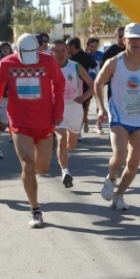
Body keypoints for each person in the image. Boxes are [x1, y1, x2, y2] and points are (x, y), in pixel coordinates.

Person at [0, 33, 65, 228]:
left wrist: (58, 110)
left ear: (38, 50)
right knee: (28, 166)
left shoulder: (47, 61)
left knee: (42, 169)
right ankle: (35, 210)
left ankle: (35, 178)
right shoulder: (7, 63)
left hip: (45, 121)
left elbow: (60, 84)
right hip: (19, 121)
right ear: (17, 50)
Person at [95, 23, 140, 211]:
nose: (135, 42)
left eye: (138, 39)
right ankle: (110, 177)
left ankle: (119, 195)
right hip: (118, 114)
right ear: (124, 40)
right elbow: (98, 82)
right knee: (119, 156)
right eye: (131, 39)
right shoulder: (114, 62)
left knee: (133, 163)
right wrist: (101, 108)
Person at [52, 40, 94, 188]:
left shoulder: (75, 67)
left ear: (67, 51)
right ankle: (65, 172)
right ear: (52, 53)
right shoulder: (48, 68)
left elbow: (93, 85)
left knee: (71, 145)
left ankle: (65, 159)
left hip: (75, 110)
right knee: (62, 139)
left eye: (62, 50)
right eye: (56, 51)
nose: (60, 53)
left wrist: (83, 98)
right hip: (58, 111)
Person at [66, 37, 97, 136]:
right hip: (69, 87)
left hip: (84, 87)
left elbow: (96, 66)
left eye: (68, 45)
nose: (66, 48)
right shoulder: (67, 57)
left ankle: (78, 130)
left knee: (82, 108)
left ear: (73, 46)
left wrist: (98, 79)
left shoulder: (85, 56)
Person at [85, 36, 104, 134]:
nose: (93, 48)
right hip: (88, 84)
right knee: (86, 104)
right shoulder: (85, 56)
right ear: (87, 46)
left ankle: (98, 124)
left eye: (95, 46)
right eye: (91, 46)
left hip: (99, 83)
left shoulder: (101, 55)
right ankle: (85, 121)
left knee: (99, 104)